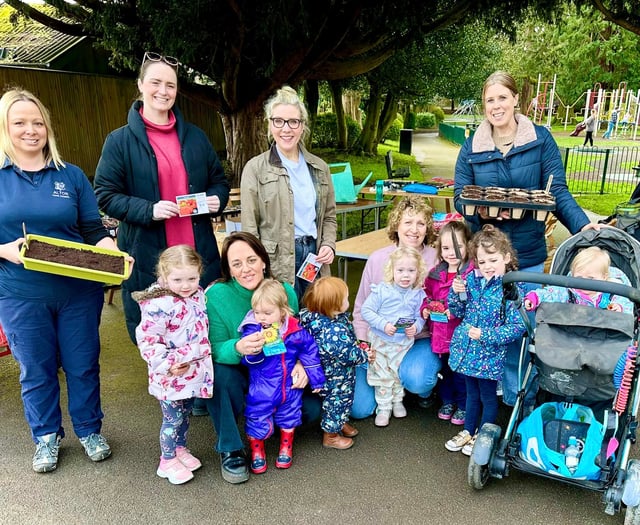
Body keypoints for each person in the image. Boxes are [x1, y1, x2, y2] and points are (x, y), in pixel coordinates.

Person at [454, 70, 596, 408]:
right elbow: (462, 198)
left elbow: (556, 190)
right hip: (487, 257)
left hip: (527, 254)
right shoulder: (472, 146)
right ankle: (490, 399)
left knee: (520, 330)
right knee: (487, 326)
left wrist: (581, 226)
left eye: (503, 97)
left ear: (516, 99)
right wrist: (485, 212)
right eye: (490, 99)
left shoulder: (541, 139)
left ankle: (522, 402)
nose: (496, 105)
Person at [0, 88, 124, 472]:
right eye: (19, 122)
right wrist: (4, 249)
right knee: (36, 368)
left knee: (83, 363)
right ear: (5, 127)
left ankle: (89, 429)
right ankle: (46, 437)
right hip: (21, 293)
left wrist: (112, 253)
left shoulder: (69, 175)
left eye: (37, 122)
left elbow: (91, 227)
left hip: (77, 292)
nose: (31, 130)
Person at [94, 51, 230, 343]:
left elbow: (219, 181)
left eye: (170, 85)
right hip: (150, 257)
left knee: (205, 335)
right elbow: (105, 194)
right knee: (161, 343)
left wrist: (218, 198)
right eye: (156, 82)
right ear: (141, 85)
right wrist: (148, 209)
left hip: (197, 257)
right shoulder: (119, 141)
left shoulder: (196, 137)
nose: (163, 91)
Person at [204, 232, 321, 484]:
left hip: (278, 373)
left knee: (312, 411)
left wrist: (302, 364)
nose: (246, 269)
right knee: (219, 377)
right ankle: (231, 447)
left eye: (251, 260)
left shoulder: (285, 291)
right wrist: (238, 346)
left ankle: (267, 422)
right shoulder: (217, 295)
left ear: (263, 261)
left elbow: (298, 334)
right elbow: (212, 348)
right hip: (241, 371)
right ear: (229, 269)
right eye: (237, 264)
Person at [241, 85, 337, 300]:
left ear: (302, 126)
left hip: (314, 256)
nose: (286, 129)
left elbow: (329, 217)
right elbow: (249, 228)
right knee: (282, 319)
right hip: (276, 259)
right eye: (279, 121)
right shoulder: (255, 169)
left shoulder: (320, 168)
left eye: (294, 122)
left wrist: (329, 244)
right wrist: (256, 266)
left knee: (315, 313)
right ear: (270, 124)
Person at [352, 195, 439, 419]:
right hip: (380, 339)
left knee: (417, 379)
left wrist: (419, 327)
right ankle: (389, 383)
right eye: (408, 222)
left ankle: (416, 385)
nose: (414, 229)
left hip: (418, 338)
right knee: (359, 409)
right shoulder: (377, 259)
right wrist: (363, 342)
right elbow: (361, 306)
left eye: (421, 223)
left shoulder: (436, 260)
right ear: (397, 225)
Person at [133, 244, 213, 484]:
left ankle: (179, 449)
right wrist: (169, 364)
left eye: (192, 278)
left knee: (185, 413)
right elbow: (148, 341)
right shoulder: (158, 305)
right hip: (170, 375)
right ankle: (166, 460)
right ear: (164, 276)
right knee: (172, 418)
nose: (186, 285)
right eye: (178, 279)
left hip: (192, 372)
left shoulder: (198, 295)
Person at [444, 225, 526, 456]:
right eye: (482, 261)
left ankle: (483, 434)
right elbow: (457, 310)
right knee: (471, 394)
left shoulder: (511, 289)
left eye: (493, 260)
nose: (487, 266)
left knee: (488, 398)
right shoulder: (470, 280)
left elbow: (517, 327)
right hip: (468, 352)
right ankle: (468, 430)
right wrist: (455, 292)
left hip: (490, 356)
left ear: (506, 258)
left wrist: (486, 335)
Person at [239, 278, 325, 474]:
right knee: (257, 415)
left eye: (268, 313)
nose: (261, 317)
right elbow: (247, 360)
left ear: (283, 310)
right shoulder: (253, 329)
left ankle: (286, 447)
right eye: (257, 312)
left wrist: (316, 379)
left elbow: (309, 350)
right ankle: (257, 451)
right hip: (263, 385)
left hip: (290, 384)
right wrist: (255, 348)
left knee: (290, 414)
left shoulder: (295, 330)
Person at [299, 277, 371, 450]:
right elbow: (347, 355)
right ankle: (331, 435)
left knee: (337, 402)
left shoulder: (316, 319)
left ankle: (340, 422)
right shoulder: (333, 331)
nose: (348, 301)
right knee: (337, 402)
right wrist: (364, 354)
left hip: (324, 371)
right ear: (334, 306)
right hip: (336, 376)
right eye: (345, 299)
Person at [361, 247, 427, 427]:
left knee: (397, 372)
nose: (405, 275)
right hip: (380, 341)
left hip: (402, 342)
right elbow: (366, 310)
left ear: (418, 272)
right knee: (381, 374)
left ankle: (397, 400)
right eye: (400, 271)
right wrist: (383, 324)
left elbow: (420, 316)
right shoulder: (382, 290)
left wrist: (416, 327)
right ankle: (384, 407)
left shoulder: (418, 294)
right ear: (392, 271)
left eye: (411, 271)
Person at [421, 220, 474, 427]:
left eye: (458, 247)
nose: (451, 253)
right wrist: (426, 307)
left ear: (468, 246)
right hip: (439, 335)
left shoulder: (471, 275)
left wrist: (455, 310)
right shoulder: (435, 274)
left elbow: (476, 304)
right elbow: (426, 295)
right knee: (445, 372)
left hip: (461, 336)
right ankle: (447, 401)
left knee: (461, 374)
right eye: (446, 248)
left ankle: (463, 405)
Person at [523, 246, 633, 314]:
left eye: (591, 278)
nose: (584, 283)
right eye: (579, 278)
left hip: (605, 336)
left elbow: (626, 303)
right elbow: (551, 293)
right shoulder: (570, 291)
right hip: (574, 334)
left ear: (604, 277)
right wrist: (535, 297)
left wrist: (619, 307)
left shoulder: (613, 292)